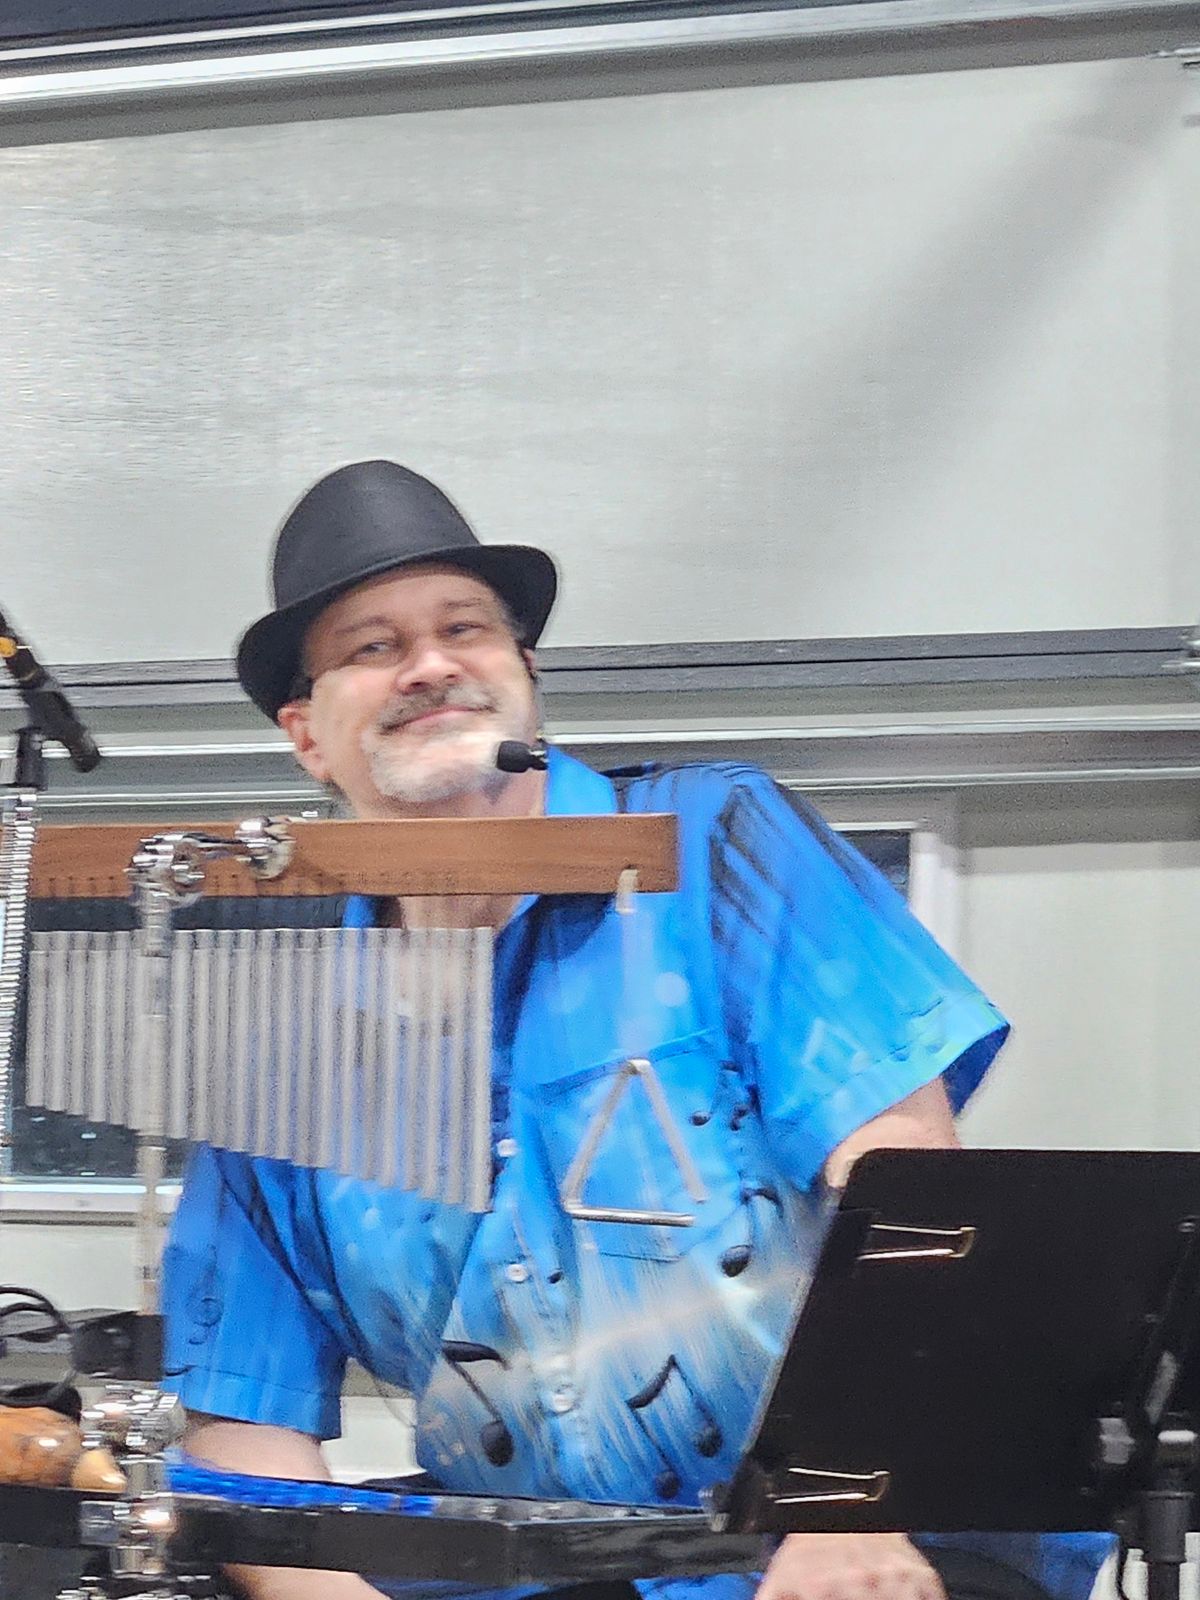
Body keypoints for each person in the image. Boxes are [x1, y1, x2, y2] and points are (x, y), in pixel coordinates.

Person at [161, 460, 1112, 1600]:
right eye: (373, 646)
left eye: (465, 627)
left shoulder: (716, 841)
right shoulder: (281, 1042)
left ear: (524, 676)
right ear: (308, 736)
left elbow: (913, 1197)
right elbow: (244, 1417)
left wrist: (845, 1506)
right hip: (525, 1566)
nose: (429, 665)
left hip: (848, 1520)